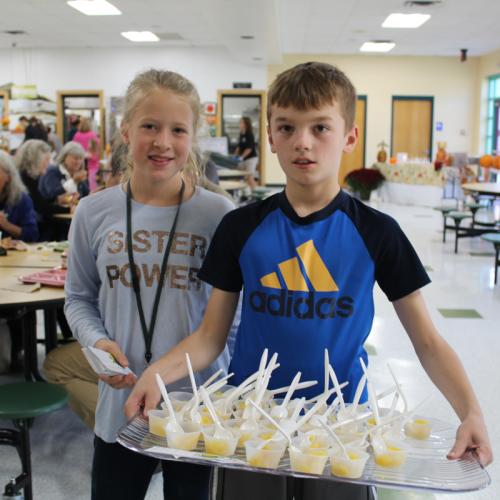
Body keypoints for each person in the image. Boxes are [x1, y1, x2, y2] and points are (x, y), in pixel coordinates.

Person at [125, 62, 493, 500]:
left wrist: (471, 411)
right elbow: (209, 337)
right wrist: (157, 374)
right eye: (287, 127)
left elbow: (427, 341)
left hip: (342, 429)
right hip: (252, 425)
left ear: (350, 136)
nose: (303, 142)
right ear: (270, 135)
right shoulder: (241, 228)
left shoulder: (378, 232)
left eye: (321, 127)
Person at [64, 68, 237, 500]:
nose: (163, 142)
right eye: (149, 126)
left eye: (178, 129)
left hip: (197, 411)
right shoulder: (92, 212)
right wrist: (97, 342)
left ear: (193, 136)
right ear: (125, 130)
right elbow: (79, 298)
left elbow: (233, 317)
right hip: (120, 410)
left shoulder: (218, 214)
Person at [15, 139, 72, 240]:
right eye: (46, 160)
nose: (48, 164)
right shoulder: (25, 178)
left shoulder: (27, 176)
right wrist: (69, 209)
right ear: (35, 160)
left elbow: (38, 201)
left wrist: (56, 200)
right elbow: (41, 206)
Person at [0, 150, 38, 242]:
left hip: (13, 254)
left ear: (8, 177)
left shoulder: (21, 199)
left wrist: (6, 225)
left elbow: (32, 235)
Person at [73, 117, 101, 191]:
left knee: (80, 183)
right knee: (92, 184)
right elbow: (97, 150)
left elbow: (73, 149)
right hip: (92, 164)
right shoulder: (93, 135)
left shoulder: (76, 135)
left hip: (79, 162)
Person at [234, 116, 258, 189]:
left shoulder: (249, 134)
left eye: (241, 122)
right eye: (240, 122)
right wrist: (234, 155)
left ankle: (256, 194)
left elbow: (249, 149)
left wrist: (241, 157)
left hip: (251, 158)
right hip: (244, 159)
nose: (240, 124)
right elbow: (239, 147)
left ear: (246, 124)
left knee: (249, 177)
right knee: (239, 176)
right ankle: (242, 192)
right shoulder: (242, 134)